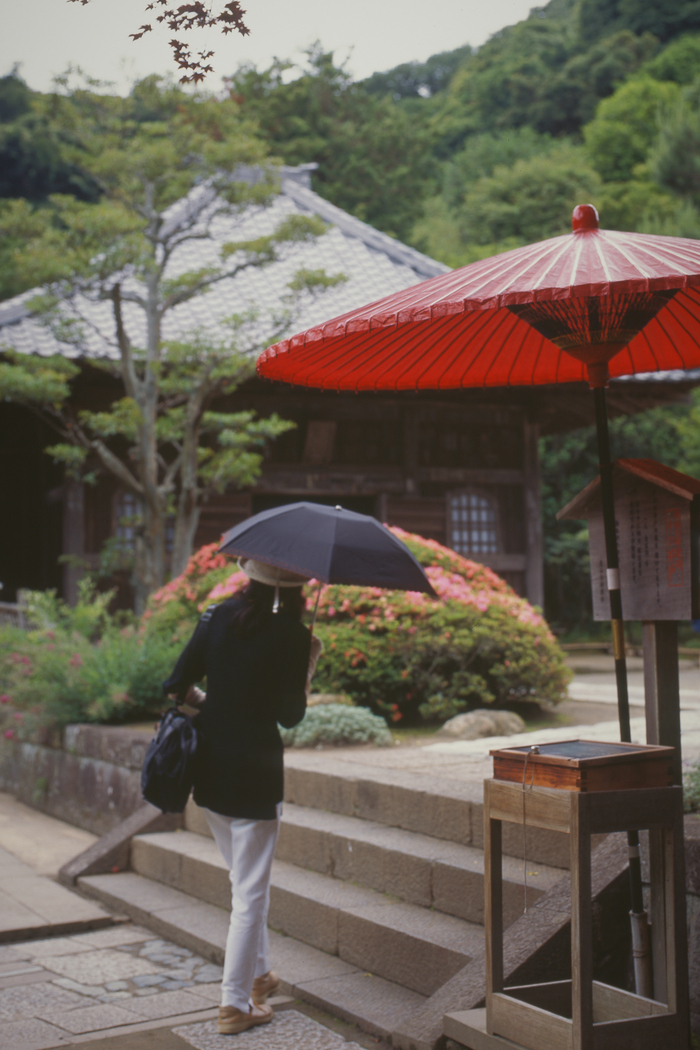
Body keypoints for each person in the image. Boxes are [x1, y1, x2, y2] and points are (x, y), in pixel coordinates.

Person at [162, 558, 323, 1035]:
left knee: (244, 881)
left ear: (250, 575)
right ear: (296, 589)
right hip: (255, 775)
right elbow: (290, 716)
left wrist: (216, 705)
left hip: (209, 767)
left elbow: (176, 686)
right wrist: (308, 660)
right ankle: (234, 1005)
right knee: (249, 893)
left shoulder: (213, 617)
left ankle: (260, 976)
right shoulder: (293, 637)